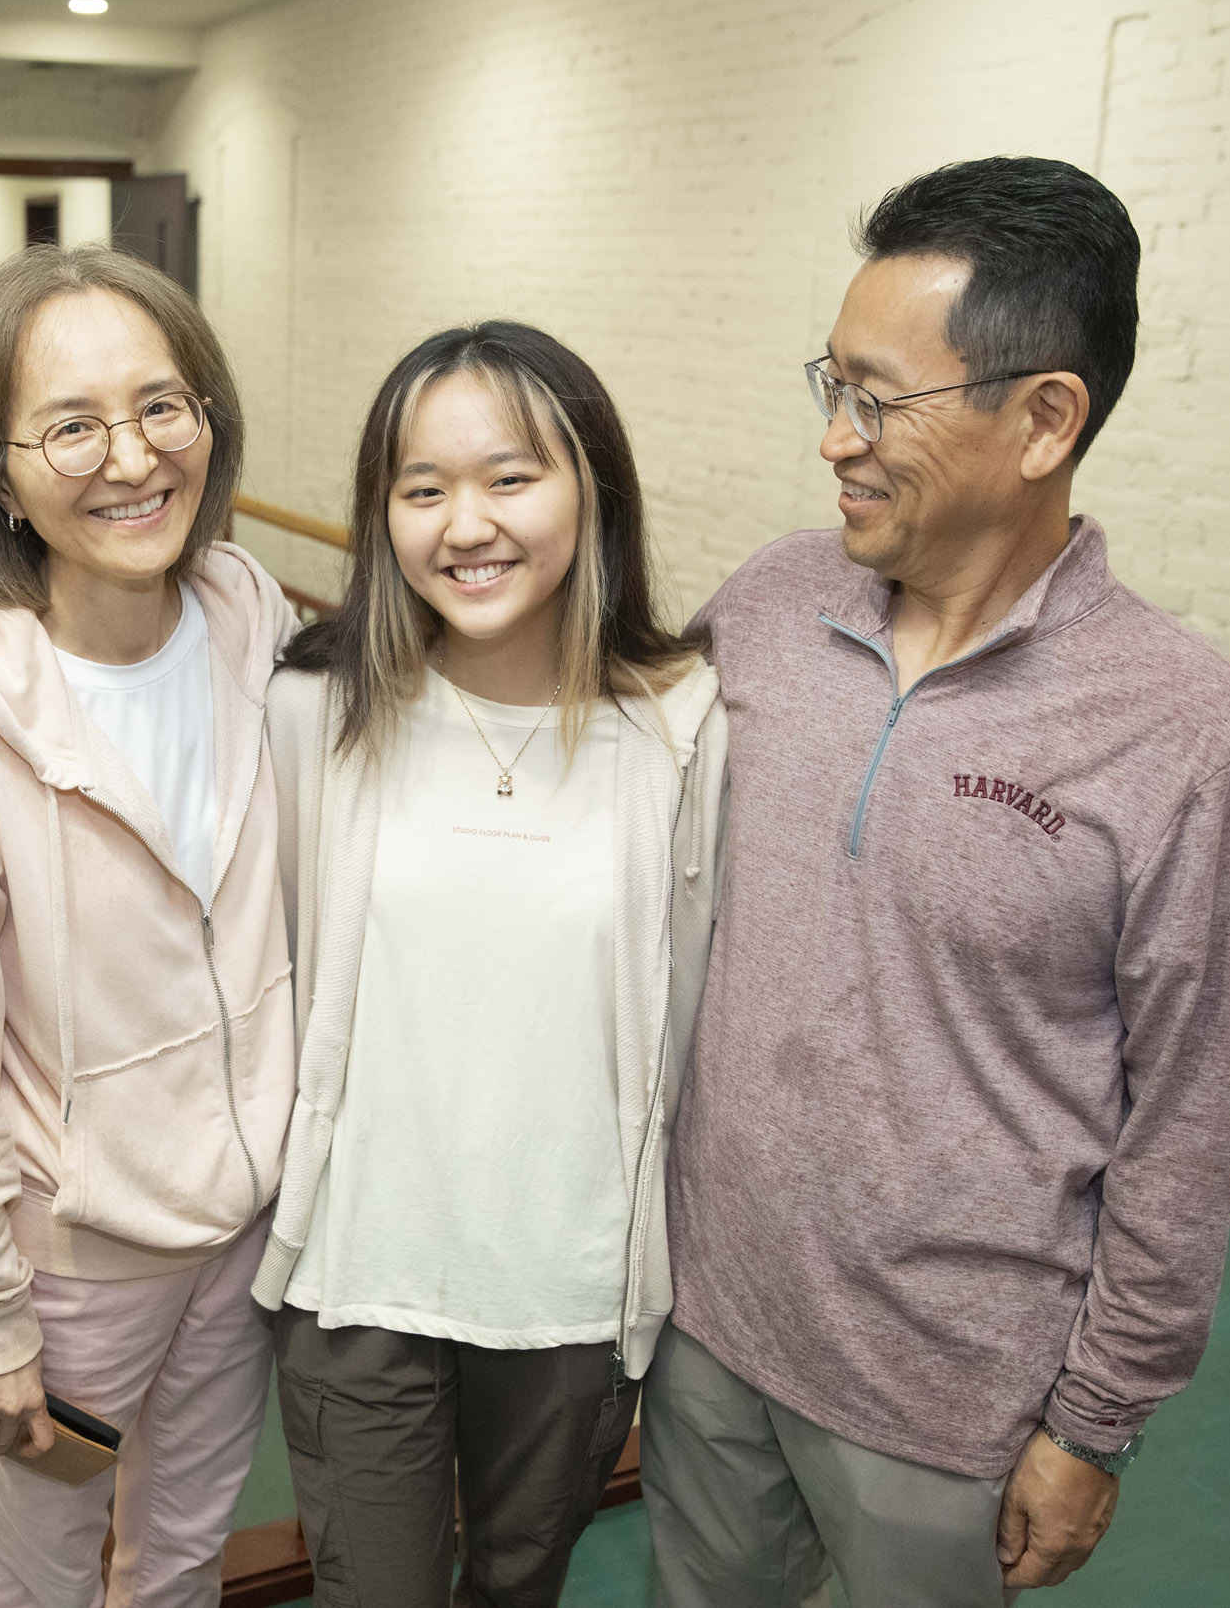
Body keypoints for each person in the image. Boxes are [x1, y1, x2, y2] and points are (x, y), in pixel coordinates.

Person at [646, 157, 1230, 1605]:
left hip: (949, 1401)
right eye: (831, 383)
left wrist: (1095, 1418)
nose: (833, 440)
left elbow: (1189, 1116)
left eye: (880, 400)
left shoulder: (1190, 733)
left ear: (1045, 417)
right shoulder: (768, 603)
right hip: (707, 1314)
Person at [257, 322, 728, 1608]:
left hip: (570, 1285)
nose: (467, 523)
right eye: (422, 489)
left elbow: (692, 1005)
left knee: (519, 1588)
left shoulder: (680, 729)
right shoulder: (315, 712)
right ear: (383, 514)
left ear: (592, 488)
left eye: (511, 476)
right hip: (358, 1269)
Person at [0, 244, 300, 1608]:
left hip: (242, 1229)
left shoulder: (249, 610)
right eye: (71, 424)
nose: (130, 456)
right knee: (42, 1580)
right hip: (71, 1269)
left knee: (178, 1553)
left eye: (163, 404)